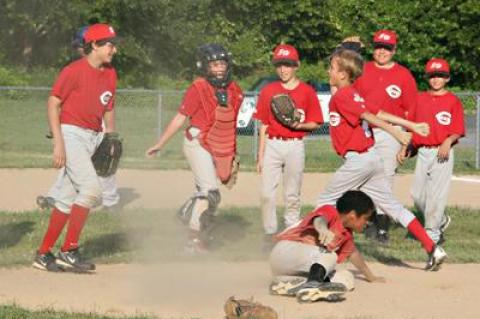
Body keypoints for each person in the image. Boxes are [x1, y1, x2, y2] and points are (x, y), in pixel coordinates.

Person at [316, 48, 447, 271]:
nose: (329, 71)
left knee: (325, 203)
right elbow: (379, 113)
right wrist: (411, 125)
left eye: (333, 68)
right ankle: (433, 248)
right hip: (372, 159)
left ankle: (321, 252)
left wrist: (397, 133)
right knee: (392, 206)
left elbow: (368, 116)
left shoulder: (344, 95)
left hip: (359, 160)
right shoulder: (354, 94)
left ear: (342, 74)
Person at [32, 23, 119, 272]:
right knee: (92, 191)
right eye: (109, 44)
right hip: (71, 134)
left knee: (66, 199)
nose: (114, 49)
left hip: (93, 136)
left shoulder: (111, 73)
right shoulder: (74, 71)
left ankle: (43, 253)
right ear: (94, 45)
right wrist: (58, 143)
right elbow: (53, 103)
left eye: (114, 44)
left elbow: (109, 105)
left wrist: (110, 137)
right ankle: (69, 249)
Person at [145, 43, 243, 253]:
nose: (218, 68)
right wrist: (160, 143)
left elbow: (230, 124)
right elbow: (181, 118)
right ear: (204, 67)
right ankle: (193, 240)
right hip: (196, 142)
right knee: (210, 193)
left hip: (217, 144)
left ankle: (187, 212)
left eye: (222, 63)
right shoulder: (198, 88)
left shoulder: (235, 90)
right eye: (213, 64)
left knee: (205, 193)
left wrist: (230, 150)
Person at [254, 44, 323, 251]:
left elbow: (317, 122)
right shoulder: (268, 91)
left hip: (295, 145)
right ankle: (269, 233)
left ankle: (291, 230)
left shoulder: (307, 92)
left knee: (292, 194)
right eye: (280, 65)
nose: (283, 69)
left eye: (288, 65)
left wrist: (298, 125)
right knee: (267, 193)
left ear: (297, 66)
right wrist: (260, 155)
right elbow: (264, 125)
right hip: (273, 145)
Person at [354, 30, 418, 244]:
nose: (382, 51)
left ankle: (382, 227)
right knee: (363, 176)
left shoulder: (404, 75)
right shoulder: (362, 70)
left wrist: (405, 143)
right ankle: (368, 220)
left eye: (387, 48)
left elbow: (410, 112)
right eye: (379, 47)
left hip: (391, 131)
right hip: (365, 129)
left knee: (386, 177)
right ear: (374, 48)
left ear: (394, 50)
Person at [269, 190, 384, 303]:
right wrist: (322, 229)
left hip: (296, 267)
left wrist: (371, 277)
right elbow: (319, 220)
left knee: (346, 278)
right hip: (285, 251)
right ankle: (312, 286)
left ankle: (287, 283)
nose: (367, 224)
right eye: (365, 219)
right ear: (353, 215)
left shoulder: (347, 234)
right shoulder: (331, 211)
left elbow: (353, 254)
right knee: (330, 256)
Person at [398, 58, 465, 245]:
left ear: (447, 78)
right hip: (423, 152)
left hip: (443, 151)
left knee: (437, 193)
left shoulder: (453, 101)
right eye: (433, 76)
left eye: (441, 76)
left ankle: (433, 231)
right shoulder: (419, 99)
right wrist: (405, 147)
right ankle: (441, 219)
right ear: (427, 78)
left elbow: (458, 129)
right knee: (417, 194)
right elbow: (410, 127)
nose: (436, 79)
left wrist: (448, 141)